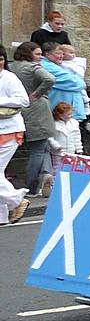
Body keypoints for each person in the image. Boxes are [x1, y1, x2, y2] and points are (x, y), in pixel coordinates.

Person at [9, 42, 56, 197]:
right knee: (38, 149)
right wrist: (37, 93)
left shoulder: (12, 67)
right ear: (28, 54)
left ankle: (46, 174)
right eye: (37, 54)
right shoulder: (32, 68)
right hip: (37, 109)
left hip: (18, 110)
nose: (40, 57)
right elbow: (50, 79)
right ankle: (32, 186)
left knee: (43, 147)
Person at [0, 46, 31, 224]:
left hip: (9, 129)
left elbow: (23, 100)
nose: (0, 63)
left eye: (2, 59)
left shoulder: (9, 78)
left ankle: (18, 200)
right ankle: (2, 215)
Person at [39, 42, 85, 121]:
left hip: (66, 114)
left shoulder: (54, 65)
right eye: (58, 53)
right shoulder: (47, 66)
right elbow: (76, 83)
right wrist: (81, 82)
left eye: (63, 54)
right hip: (60, 114)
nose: (61, 56)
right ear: (47, 54)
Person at [57, 44, 90, 135]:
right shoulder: (60, 64)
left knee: (86, 102)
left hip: (78, 87)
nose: (73, 55)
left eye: (74, 52)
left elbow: (79, 73)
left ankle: (85, 121)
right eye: (70, 53)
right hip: (68, 89)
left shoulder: (77, 62)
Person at [49, 102, 82, 171]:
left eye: (71, 114)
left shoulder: (74, 123)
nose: (70, 116)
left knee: (71, 168)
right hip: (58, 152)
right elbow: (49, 137)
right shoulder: (53, 124)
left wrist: (79, 149)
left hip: (71, 151)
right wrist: (56, 146)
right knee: (57, 168)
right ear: (60, 115)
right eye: (68, 114)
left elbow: (77, 137)